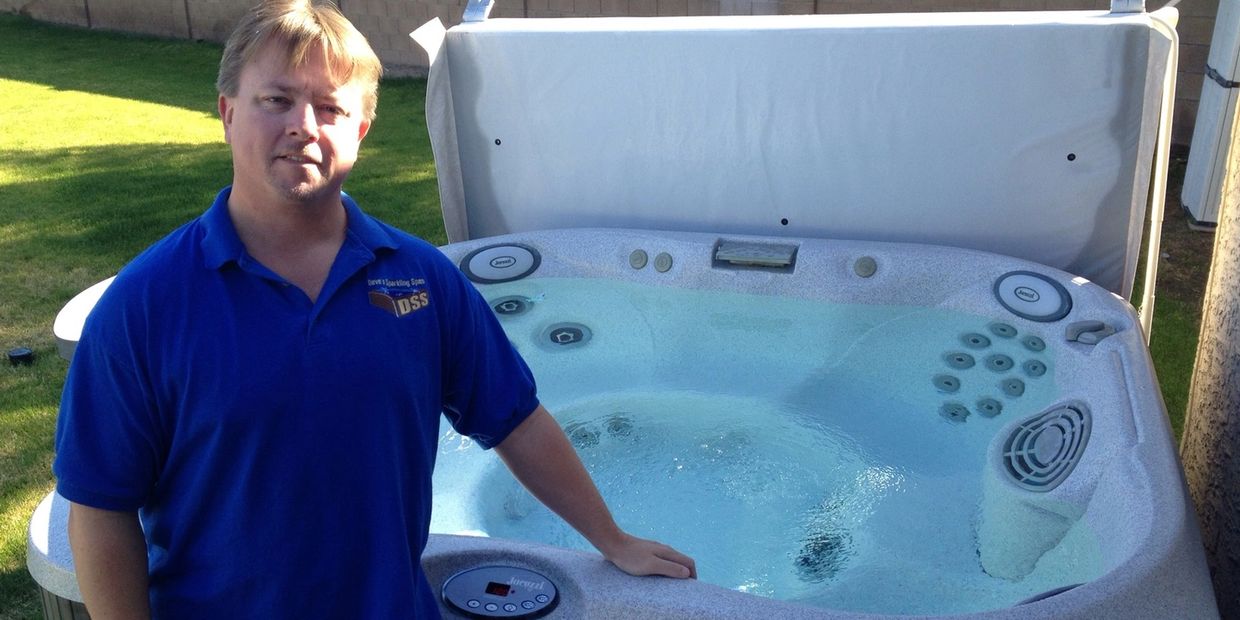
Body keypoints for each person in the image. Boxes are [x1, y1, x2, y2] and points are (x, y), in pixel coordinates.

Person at [51, 1, 696, 617]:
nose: (302, 124)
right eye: (275, 100)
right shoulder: (146, 306)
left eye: (329, 107)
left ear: (359, 131)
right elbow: (100, 509)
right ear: (226, 112)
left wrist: (612, 540)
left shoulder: (422, 281)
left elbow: (517, 421)